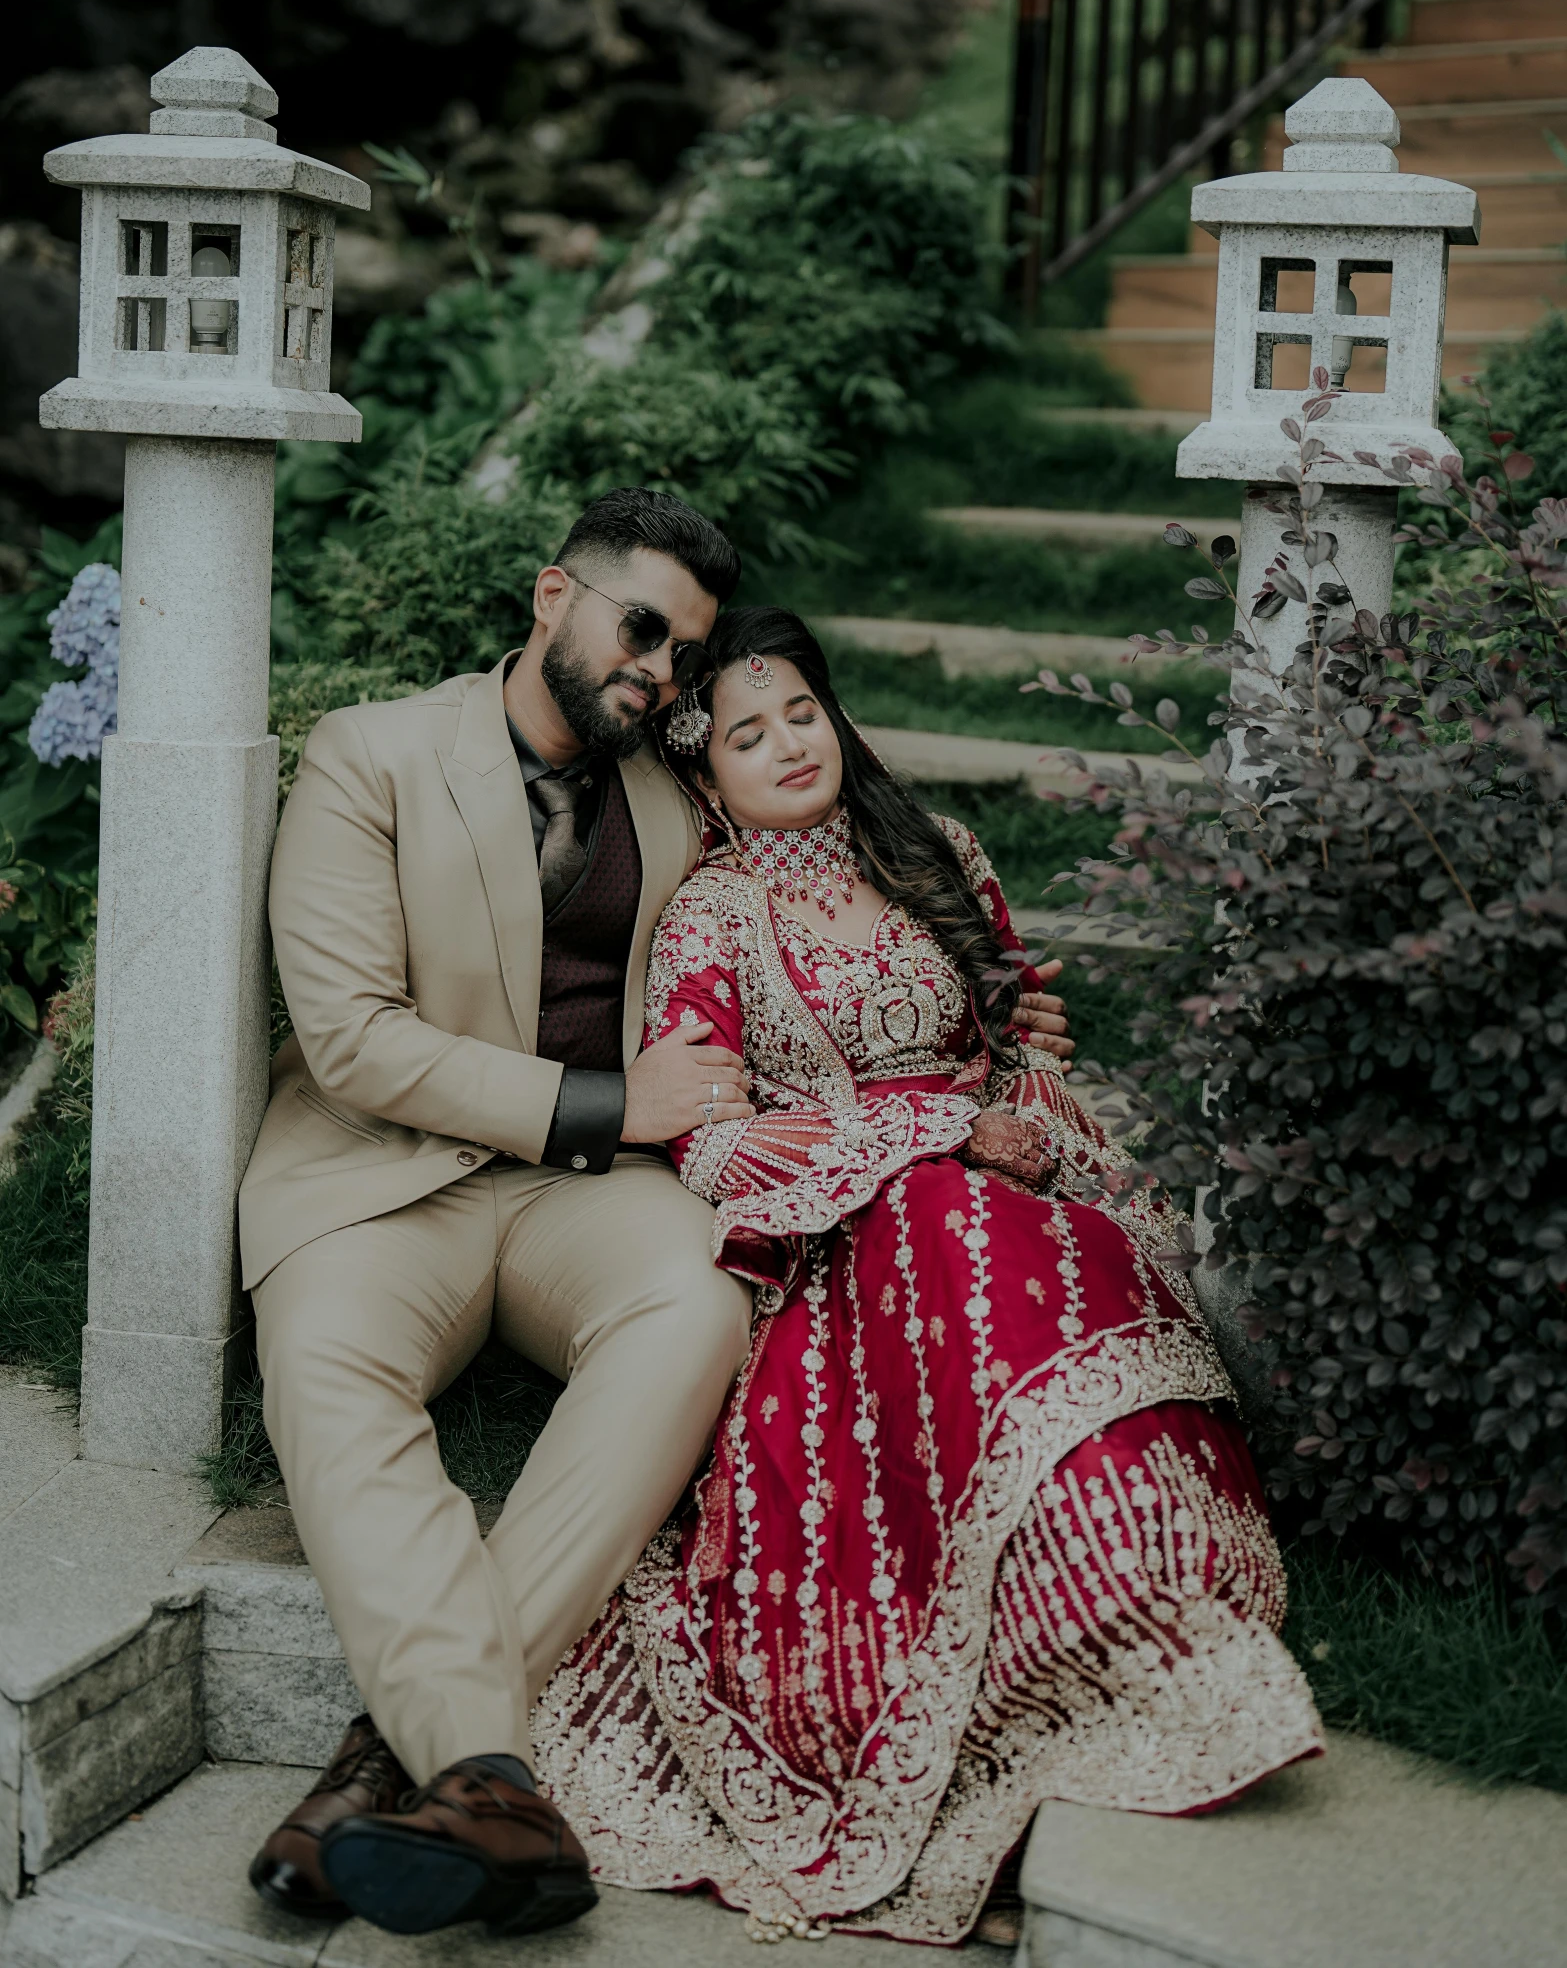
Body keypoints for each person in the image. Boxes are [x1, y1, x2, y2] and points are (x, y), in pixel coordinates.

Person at [240, 485, 1085, 1942]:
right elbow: (354, 1036)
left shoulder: (670, 792)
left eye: (680, 652)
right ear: (548, 596)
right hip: (376, 1183)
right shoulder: (368, 753)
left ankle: (399, 1769)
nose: (655, 670)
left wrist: (983, 998)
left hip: (590, 1205)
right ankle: (477, 1770)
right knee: (324, 1368)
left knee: (694, 1307)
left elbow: (821, 898)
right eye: (639, 627)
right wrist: (609, 1101)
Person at [527, 607, 1325, 1947]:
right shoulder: (712, 915)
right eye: (745, 733)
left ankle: (1143, 1598)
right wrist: (905, 1132)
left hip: (1001, 1187)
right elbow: (712, 1139)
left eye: (800, 714)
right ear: (703, 769)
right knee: (947, 1228)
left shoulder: (936, 851)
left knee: (1040, 1253)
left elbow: (1013, 1047)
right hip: (855, 1240)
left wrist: (1009, 1103)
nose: (785, 745)